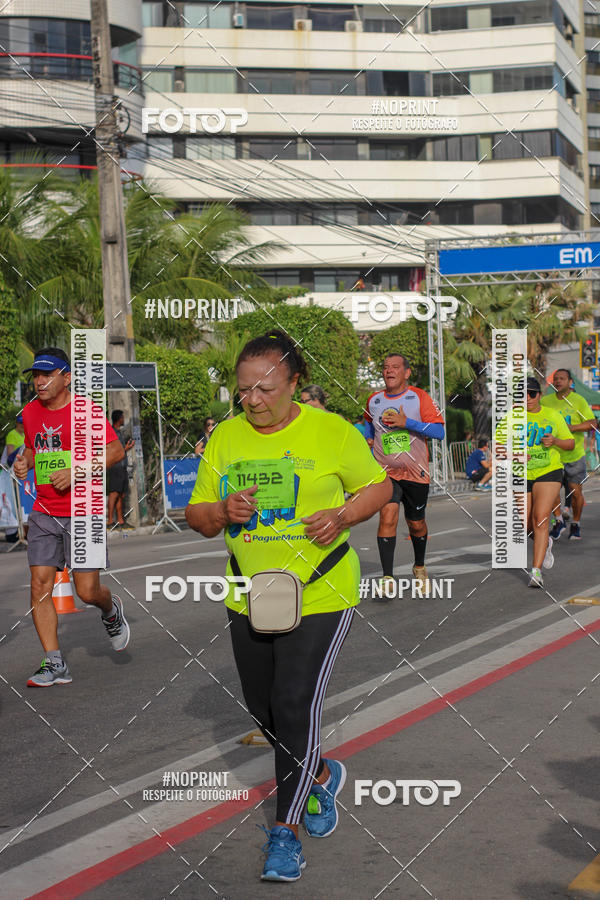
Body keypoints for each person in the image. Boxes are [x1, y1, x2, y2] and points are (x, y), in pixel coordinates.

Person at [185, 329, 391, 883]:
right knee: (265, 710)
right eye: (243, 389)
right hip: (249, 592)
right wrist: (223, 511)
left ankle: (286, 834)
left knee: (294, 701)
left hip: (322, 589)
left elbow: (379, 487)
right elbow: (197, 517)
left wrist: (343, 516)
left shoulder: (330, 431)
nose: (252, 400)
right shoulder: (227, 438)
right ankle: (320, 773)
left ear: (295, 383)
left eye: (265, 389)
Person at [13, 347, 131, 687]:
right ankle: (54, 663)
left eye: (47, 375)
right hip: (45, 511)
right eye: (36, 375)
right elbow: (35, 450)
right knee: (39, 585)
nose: (39, 381)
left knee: (87, 591)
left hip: (84, 509)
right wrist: (25, 463)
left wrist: (77, 470)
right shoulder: (31, 413)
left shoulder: (85, 411)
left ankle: (110, 611)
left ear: (67, 378)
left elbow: (115, 450)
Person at [364, 353, 445, 593]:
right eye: (385, 367)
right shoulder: (374, 400)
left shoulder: (419, 397)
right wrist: (368, 438)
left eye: (395, 367)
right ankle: (387, 578)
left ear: (406, 372)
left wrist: (406, 422)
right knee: (387, 517)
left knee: (416, 524)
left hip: (415, 472)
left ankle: (419, 566)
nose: (389, 371)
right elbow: (369, 425)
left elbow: (439, 432)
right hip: (386, 472)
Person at [498, 377, 574, 589]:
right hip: (521, 473)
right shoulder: (511, 417)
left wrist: (555, 441)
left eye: (532, 394)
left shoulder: (552, 415)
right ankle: (547, 542)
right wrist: (515, 454)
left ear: (539, 395)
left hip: (549, 471)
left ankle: (536, 572)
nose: (527, 398)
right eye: (522, 395)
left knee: (540, 518)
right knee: (527, 525)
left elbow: (569, 443)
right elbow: (498, 447)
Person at [542, 369, 596, 541]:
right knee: (550, 492)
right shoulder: (545, 401)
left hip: (573, 454)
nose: (558, 382)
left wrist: (572, 428)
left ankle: (576, 523)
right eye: (556, 379)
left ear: (570, 382)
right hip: (551, 455)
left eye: (562, 379)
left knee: (576, 493)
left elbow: (593, 423)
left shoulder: (578, 401)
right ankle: (558, 521)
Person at [107, 409, 135, 529]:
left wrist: (126, 448)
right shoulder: (111, 432)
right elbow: (113, 452)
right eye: (123, 417)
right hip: (115, 467)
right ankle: (109, 521)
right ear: (119, 419)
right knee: (113, 494)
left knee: (121, 495)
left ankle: (120, 520)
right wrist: (126, 449)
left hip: (122, 466)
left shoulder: (120, 432)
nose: (124, 419)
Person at [1, 414, 25, 543]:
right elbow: (10, 455)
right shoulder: (12, 434)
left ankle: (20, 531)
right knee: (10, 501)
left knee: (19, 502)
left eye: (23, 423)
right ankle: (11, 532)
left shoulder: (25, 435)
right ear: (16, 423)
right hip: (8, 473)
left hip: (19, 473)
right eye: (20, 423)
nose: (22, 425)